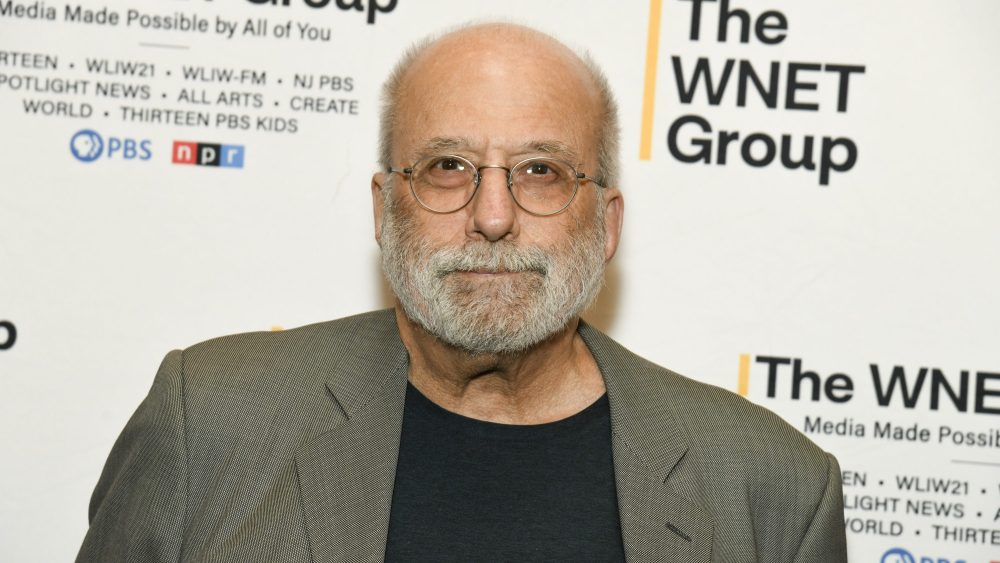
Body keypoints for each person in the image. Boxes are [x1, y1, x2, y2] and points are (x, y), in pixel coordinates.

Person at [77, 23, 847, 563]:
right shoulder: (209, 418)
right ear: (383, 208)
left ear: (606, 224)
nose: (492, 216)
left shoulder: (769, 487)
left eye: (541, 170)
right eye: (447, 166)